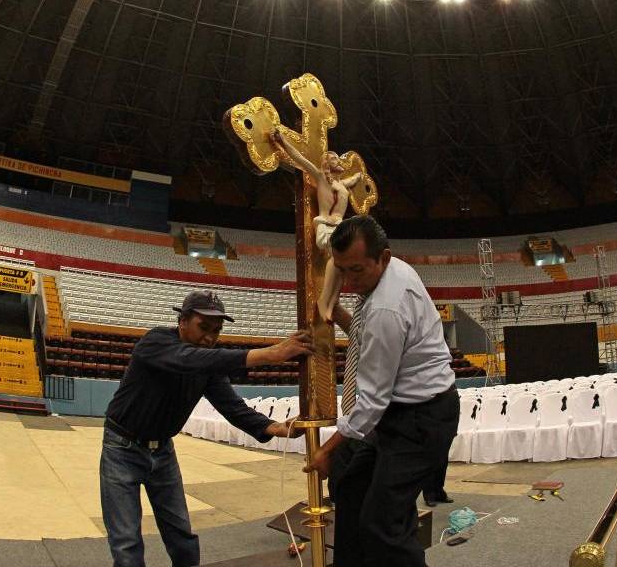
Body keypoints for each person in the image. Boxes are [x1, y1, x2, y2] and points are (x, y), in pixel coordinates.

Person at [100, 290, 312, 567]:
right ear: (182, 321)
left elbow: (231, 406)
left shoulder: (207, 362)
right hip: (121, 448)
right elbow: (190, 359)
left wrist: (276, 428)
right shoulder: (156, 342)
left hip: (163, 451)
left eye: (216, 330)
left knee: (182, 538)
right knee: (127, 546)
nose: (210, 337)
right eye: (203, 327)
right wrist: (272, 353)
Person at [304, 215, 459, 567]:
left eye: (355, 271)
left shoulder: (386, 309)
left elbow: (371, 402)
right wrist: (330, 308)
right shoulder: (388, 275)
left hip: (422, 421)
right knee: (348, 486)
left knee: (383, 524)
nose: (347, 280)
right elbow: (365, 331)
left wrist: (326, 449)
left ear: (383, 258)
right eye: (340, 270)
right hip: (397, 414)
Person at [271, 129, 362, 323]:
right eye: (335, 159)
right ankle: (324, 302)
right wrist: (283, 141)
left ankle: (331, 302)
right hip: (325, 227)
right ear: (327, 164)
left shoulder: (344, 185)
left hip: (340, 229)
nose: (340, 162)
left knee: (343, 263)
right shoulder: (321, 178)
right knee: (338, 255)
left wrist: (360, 177)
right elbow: (299, 159)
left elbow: (357, 178)